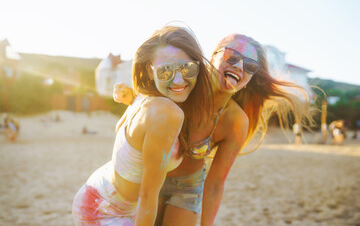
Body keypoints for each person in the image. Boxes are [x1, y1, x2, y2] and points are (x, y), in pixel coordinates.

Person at [114, 33, 315, 225]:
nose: (238, 66)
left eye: (250, 65)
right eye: (231, 57)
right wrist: (133, 99)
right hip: (148, 178)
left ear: (249, 80)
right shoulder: (182, 87)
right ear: (212, 58)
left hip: (188, 188)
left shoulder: (235, 122)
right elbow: (143, 114)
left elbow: (216, 183)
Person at [72, 25, 214, 225]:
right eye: (165, 71)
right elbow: (148, 196)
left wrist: (129, 98)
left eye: (188, 68)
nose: (179, 79)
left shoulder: (145, 97)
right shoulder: (167, 112)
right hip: (106, 211)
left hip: (98, 193)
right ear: (149, 70)